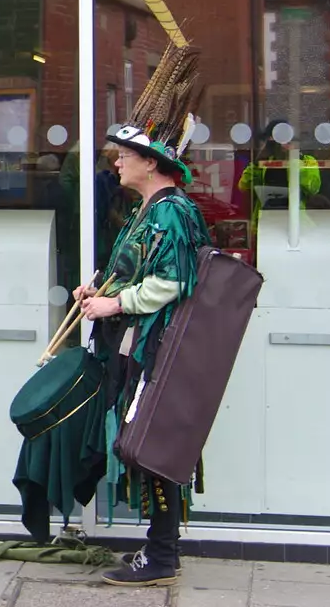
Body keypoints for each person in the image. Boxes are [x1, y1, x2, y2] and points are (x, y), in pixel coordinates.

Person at [75, 122, 210, 588]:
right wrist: (99, 292)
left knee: (153, 444)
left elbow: (171, 283)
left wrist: (115, 303)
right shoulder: (150, 208)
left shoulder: (170, 210)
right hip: (144, 341)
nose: (116, 162)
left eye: (125, 154)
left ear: (151, 163)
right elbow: (141, 273)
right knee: (150, 442)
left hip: (157, 345)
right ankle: (160, 548)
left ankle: (162, 556)